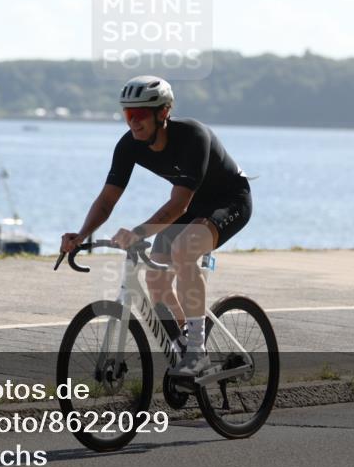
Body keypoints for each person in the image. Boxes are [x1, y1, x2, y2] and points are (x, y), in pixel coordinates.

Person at [60, 76, 252, 377]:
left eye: (139, 115)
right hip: (191, 205)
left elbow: (180, 205)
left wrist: (137, 233)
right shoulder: (129, 145)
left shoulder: (193, 137)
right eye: (127, 115)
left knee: (184, 249)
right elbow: (107, 199)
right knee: (156, 278)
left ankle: (197, 353)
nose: (133, 123)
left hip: (229, 200)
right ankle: (184, 344)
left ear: (163, 112)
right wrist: (81, 234)